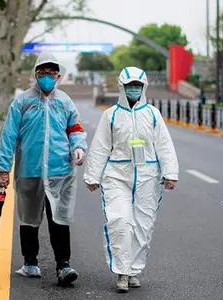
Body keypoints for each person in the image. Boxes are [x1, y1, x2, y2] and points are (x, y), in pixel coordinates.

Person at [83, 67, 179, 293]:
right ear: (122, 88)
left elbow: (164, 145)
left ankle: (134, 270)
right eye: (130, 86)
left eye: (138, 85)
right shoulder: (111, 115)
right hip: (117, 176)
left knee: (143, 226)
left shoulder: (153, 114)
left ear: (143, 87)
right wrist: (92, 176)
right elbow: (100, 147)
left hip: (148, 176)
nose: (134, 89)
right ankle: (122, 272)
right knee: (120, 222)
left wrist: (170, 174)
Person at [0, 51, 87, 286]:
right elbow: (8, 136)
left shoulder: (65, 101)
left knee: (59, 219)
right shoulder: (23, 101)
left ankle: (63, 265)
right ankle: (29, 262)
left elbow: (75, 128)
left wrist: (78, 147)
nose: (47, 77)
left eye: (51, 73)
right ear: (35, 74)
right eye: (42, 72)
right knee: (29, 218)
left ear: (58, 76)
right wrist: (3, 169)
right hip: (29, 170)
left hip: (60, 171)